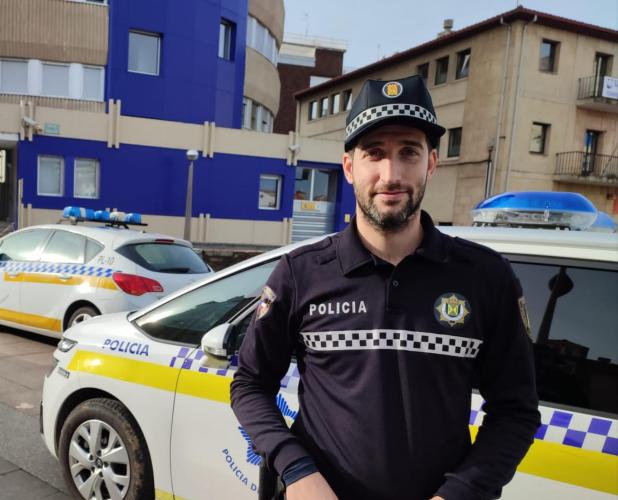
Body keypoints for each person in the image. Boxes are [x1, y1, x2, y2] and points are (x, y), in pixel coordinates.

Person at [230, 75, 540, 500]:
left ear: (431, 163)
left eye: (408, 152)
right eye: (374, 153)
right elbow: (249, 384)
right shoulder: (301, 273)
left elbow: (515, 410)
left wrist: (461, 493)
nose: (391, 174)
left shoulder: (486, 277)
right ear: (349, 167)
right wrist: (296, 470)